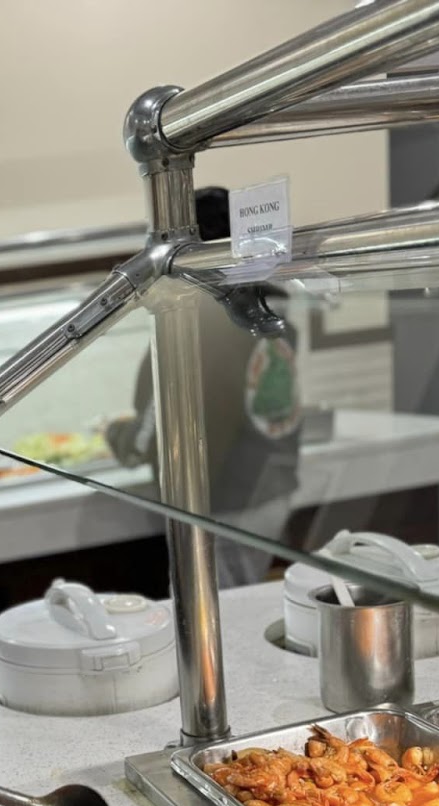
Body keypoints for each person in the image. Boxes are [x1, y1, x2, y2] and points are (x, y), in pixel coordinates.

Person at [104, 186, 302, 587]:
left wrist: (116, 435)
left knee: (218, 623)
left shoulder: (195, 323)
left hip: (221, 504)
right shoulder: (267, 310)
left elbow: (151, 433)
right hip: (271, 488)